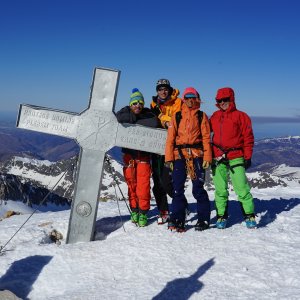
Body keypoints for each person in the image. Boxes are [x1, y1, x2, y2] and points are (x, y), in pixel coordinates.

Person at [164, 87, 212, 232]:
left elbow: (206, 138)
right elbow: (170, 139)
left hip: (196, 155)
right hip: (179, 155)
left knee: (198, 188)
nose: (190, 100)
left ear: (197, 99)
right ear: (184, 99)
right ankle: (177, 218)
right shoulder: (177, 116)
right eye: (187, 97)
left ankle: (203, 219)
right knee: (177, 188)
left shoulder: (201, 116)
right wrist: (169, 159)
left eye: (193, 97)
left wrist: (207, 156)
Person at [209, 87, 257, 229]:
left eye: (225, 100)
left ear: (232, 100)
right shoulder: (214, 116)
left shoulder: (241, 116)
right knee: (220, 190)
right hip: (218, 157)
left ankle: (249, 215)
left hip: (236, 156)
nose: (222, 102)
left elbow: (248, 138)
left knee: (242, 188)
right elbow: (206, 133)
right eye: (220, 100)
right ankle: (221, 216)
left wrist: (247, 156)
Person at [116, 88, 159, 227]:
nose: (138, 106)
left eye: (140, 103)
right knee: (131, 185)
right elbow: (118, 118)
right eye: (134, 103)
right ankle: (134, 210)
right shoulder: (125, 112)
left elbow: (154, 123)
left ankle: (143, 213)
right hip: (129, 156)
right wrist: (134, 118)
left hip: (143, 156)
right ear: (130, 104)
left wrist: (135, 121)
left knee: (143, 186)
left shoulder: (148, 114)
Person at [150, 79, 182, 224]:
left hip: (172, 147)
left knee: (167, 181)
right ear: (157, 91)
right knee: (157, 182)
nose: (163, 92)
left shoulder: (178, 103)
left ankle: (181, 205)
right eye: (160, 89)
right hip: (156, 147)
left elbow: (175, 122)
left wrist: (162, 116)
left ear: (170, 90)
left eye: (165, 89)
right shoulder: (153, 105)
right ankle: (163, 211)